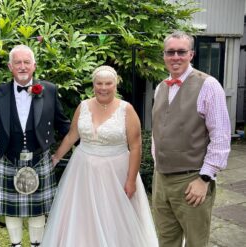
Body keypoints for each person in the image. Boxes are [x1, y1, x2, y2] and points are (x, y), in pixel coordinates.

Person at [41, 65, 158, 246]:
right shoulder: (83, 106)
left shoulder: (126, 110)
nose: (103, 88)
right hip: (82, 171)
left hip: (116, 172)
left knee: (113, 216)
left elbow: (135, 146)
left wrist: (131, 180)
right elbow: (72, 135)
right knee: (82, 216)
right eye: (99, 83)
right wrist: (56, 158)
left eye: (108, 83)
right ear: (93, 85)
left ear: (115, 85)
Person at [0, 45, 70, 247]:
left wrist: (84, 142)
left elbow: (62, 123)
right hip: (9, 158)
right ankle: (15, 245)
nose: (22, 67)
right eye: (17, 63)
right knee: (11, 209)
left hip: (39, 157)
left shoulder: (48, 89)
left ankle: (36, 244)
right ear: (10, 67)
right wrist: (0, 152)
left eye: (26, 62)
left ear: (34, 66)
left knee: (37, 209)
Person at [151, 30, 231, 247]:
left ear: (191, 54)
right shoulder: (159, 88)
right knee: (166, 241)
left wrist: (204, 178)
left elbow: (221, 136)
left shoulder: (208, 85)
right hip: (161, 180)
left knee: (196, 242)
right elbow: (158, 133)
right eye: (170, 52)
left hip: (192, 180)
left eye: (181, 51)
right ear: (164, 55)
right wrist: (158, 170)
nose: (175, 57)